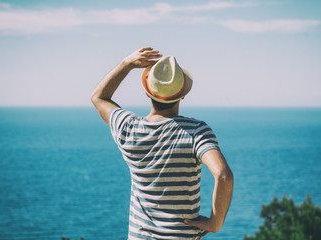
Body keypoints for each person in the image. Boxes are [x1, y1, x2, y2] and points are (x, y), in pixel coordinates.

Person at [91, 47, 233, 239]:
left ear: (147, 92)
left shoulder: (129, 129)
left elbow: (99, 97)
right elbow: (224, 176)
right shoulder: (196, 131)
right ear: (182, 95)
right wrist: (215, 222)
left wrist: (127, 64)